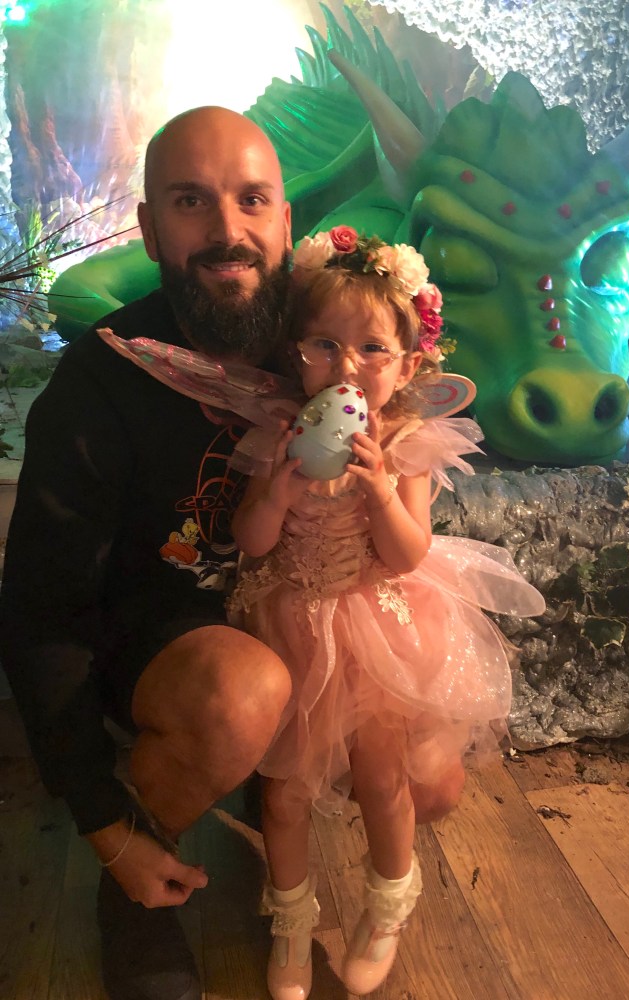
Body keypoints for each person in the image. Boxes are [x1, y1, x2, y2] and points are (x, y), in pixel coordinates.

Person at [102, 226, 546, 999]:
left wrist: (379, 492)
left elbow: (407, 553)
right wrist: (275, 491)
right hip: (288, 622)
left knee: (381, 773)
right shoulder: (277, 431)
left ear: (408, 364)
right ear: (294, 352)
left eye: (372, 349)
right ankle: (290, 917)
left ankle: (387, 905)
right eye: (324, 346)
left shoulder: (406, 441)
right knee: (284, 792)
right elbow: (252, 540)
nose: (346, 367)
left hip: (373, 624)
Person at [0, 106, 296, 1000]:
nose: (229, 231)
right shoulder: (102, 379)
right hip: (155, 634)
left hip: (292, 610)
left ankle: (260, 775)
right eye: (191, 201)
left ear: (288, 223)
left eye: (252, 200)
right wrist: (105, 825)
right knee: (242, 696)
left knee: (429, 776)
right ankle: (138, 883)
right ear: (150, 229)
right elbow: (41, 610)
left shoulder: (323, 350)